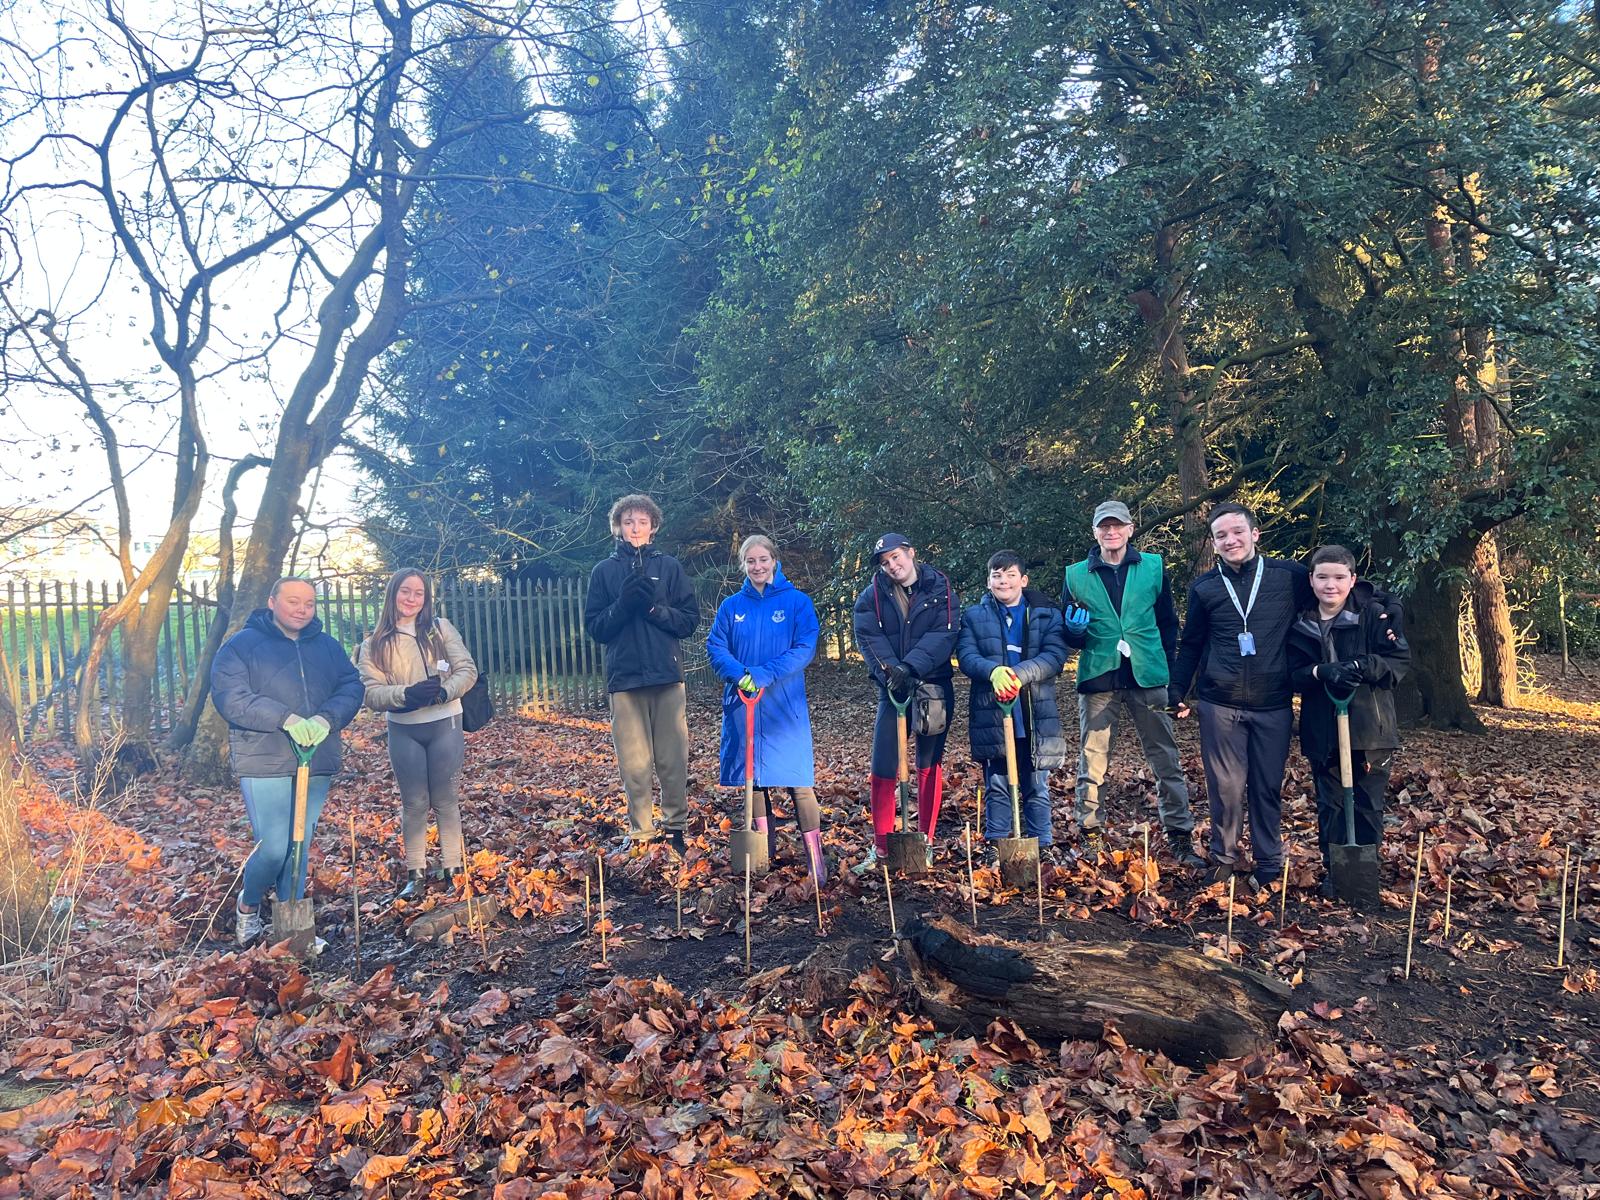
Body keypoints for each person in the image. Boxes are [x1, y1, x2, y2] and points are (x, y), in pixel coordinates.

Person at [211, 577, 364, 946]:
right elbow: (230, 696)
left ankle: (293, 930)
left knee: (299, 845)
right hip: (264, 756)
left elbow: (352, 685)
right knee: (276, 846)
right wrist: (287, 719)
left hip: (315, 756)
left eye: (309, 603)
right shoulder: (242, 646)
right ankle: (248, 907)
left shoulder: (326, 646)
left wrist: (327, 719)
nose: (301, 609)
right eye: (293, 601)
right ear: (272, 601)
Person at [1170, 503, 1313, 890]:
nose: (1230, 540)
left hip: (1273, 701)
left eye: (1237, 532)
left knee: (1266, 786)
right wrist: (1177, 689)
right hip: (1221, 702)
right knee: (1225, 788)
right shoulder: (1204, 587)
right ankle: (1224, 858)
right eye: (1221, 536)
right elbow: (1192, 643)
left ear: (1255, 534)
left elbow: (1333, 595)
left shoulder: (1290, 576)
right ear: (1214, 544)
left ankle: (1269, 862)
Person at [1062, 500, 1202, 867]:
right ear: (1095, 532)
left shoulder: (1153, 567)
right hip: (1098, 677)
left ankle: (1180, 836)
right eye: (1104, 527)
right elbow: (1069, 635)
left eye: (1118, 525)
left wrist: (1173, 679)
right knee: (1092, 761)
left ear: (1130, 528)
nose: (1111, 532)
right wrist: (1073, 631)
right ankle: (1091, 835)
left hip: (1149, 674)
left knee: (1165, 758)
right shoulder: (1075, 575)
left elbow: (1169, 624)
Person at [1288, 545, 1409, 896]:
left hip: (1371, 731)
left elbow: (1398, 662)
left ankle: (1364, 876)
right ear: (1311, 580)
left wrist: (1361, 666)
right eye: (1322, 577)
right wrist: (1319, 671)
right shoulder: (1301, 622)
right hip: (1322, 730)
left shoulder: (1374, 615)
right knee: (1332, 805)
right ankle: (1336, 873)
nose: (1331, 585)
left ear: (1352, 580)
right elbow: (1291, 674)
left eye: (1340, 577)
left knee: (1368, 805)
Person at [584, 494, 701, 856]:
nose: (635, 528)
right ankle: (641, 832)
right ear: (617, 526)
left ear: (654, 528)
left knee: (671, 758)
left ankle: (676, 828)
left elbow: (689, 621)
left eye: (643, 522)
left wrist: (652, 608)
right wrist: (623, 605)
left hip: (666, 676)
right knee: (634, 763)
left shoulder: (669, 567)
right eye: (629, 521)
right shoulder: (603, 572)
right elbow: (596, 628)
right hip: (626, 680)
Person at [706, 535, 826, 882]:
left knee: (799, 782)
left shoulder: (796, 602)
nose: (757, 566)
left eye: (763, 559)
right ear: (743, 565)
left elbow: (804, 648)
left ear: (774, 560)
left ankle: (816, 861)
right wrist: (740, 674)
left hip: (783, 705)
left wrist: (763, 674)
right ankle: (761, 858)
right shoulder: (731, 606)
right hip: (743, 703)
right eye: (750, 561)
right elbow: (715, 646)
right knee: (753, 781)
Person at [355, 569, 480, 900]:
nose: (411, 599)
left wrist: (443, 692)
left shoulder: (440, 629)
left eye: (419, 593)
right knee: (413, 802)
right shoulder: (374, 644)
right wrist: (406, 696)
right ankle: (417, 874)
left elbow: (467, 670)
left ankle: (454, 868)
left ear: (427, 598)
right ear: (393, 594)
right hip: (404, 729)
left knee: (445, 799)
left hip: (445, 724)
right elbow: (370, 692)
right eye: (405, 592)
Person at [851, 532, 959, 869]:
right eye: (885, 562)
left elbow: (945, 633)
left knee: (928, 765)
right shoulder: (872, 597)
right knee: (883, 767)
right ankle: (882, 847)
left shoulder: (939, 587)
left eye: (896, 557)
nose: (892, 566)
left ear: (911, 553)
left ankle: (924, 841)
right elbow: (868, 636)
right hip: (893, 690)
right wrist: (892, 672)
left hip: (933, 687)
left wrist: (911, 666)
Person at [957, 551, 1069, 852]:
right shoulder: (973, 617)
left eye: (1009, 574)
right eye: (996, 575)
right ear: (988, 581)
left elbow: (1055, 656)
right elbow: (967, 656)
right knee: (997, 784)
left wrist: (1019, 675)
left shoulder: (1046, 614)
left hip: (1034, 714)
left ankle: (1041, 848)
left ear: (1023, 579)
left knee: (1036, 785)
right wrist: (993, 672)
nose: (1002, 580)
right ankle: (997, 847)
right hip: (992, 714)